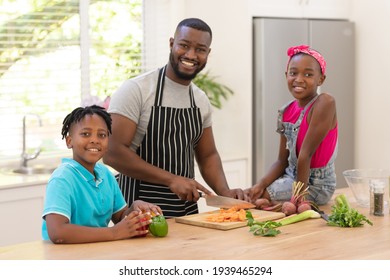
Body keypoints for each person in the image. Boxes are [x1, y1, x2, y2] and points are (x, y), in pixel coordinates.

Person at [103, 18, 246, 218]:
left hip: (185, 213)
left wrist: (226, 192)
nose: (191, 55)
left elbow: (208, 156)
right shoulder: (138, 90)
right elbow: (112, 152)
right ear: (172, 43)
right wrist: (171, 179)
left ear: (207, 53)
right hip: (139, 210)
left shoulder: (200, 100)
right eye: (184, 45)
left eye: (200, 49)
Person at [42, 105, 162, 244]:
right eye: (85, 134)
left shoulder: (105, 174)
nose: (95, 140)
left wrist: (134, 208)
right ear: (70, 141)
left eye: (102, 135)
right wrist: (114, 232)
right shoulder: (63, 178)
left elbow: (119, 217)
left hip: (98, 253)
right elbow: (58, 232)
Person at [246, 45, 338, 206]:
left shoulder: (325, 102)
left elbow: (305, 155)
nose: (299, 79)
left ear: (321, 79)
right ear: (286, 75)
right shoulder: (285, 111)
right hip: (290, 176)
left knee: (259, 200)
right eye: (293, 73)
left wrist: (298, 200)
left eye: (308, 74)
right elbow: (282, 161)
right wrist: (260, 184)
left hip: (316, 184)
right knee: (257, 194)